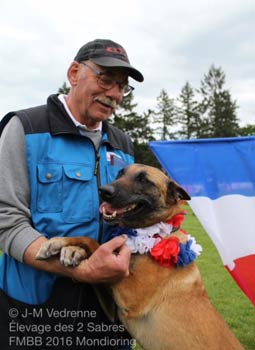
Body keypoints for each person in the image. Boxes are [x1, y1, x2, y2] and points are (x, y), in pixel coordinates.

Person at [0, 39, 144, 349]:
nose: (115, 94)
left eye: (122, 87)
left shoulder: (123, 145)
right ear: (74, 72)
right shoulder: (24, 128)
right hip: (34, 310)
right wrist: (84, 270)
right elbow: (6, 220)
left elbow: (131, 221)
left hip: (110, 310)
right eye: (105, 79)